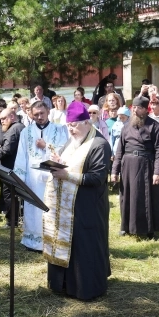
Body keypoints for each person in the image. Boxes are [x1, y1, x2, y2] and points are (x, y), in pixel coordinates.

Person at [43, 101, 112, 301]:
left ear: (87, 122)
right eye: (68, 125)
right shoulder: (71, 141)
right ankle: (62, 283)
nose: (71, 129)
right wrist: (58, 161)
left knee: (84, 245)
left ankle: (85, 287)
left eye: (74, 125)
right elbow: (69, 165)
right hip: (66, 206)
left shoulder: (99, 144)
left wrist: (67, 175)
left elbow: (97, 178)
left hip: (88, 205)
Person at [13, 101, 68, 252]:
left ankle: (52, 240)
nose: (39, 117)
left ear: (48, 111)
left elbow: (63, 153)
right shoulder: (26, 132)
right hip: (33, 179)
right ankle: (33, 242)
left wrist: (47, 146)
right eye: (36, 114)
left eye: (42, 113)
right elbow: (21, 156)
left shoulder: (59, 130)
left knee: (51, 209)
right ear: (31, 114)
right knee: (33, 209)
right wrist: (19, 180)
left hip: (52, 177)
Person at [111, 97, 159, 239]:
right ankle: (126, 226)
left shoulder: (154, 126)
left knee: (146, 197)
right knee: (128, 197)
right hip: (128, 166)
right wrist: (114, 171)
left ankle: (149, 229)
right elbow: (119, 151)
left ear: (145, 110)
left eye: (138, 108)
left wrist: (157, 172)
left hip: (146, 165)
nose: (135, 110)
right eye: (133, 108)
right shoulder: (126, 127)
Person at [0, 108, 25, 227]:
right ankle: (18, 218)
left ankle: (12, 221)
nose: (1, 121)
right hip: (19, 167)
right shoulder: (20, 127)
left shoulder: (13, 129)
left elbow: (7, 150)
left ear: (12, 117)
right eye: (0, 119)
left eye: (4, 118)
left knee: (9, 194)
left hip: (11, 168)